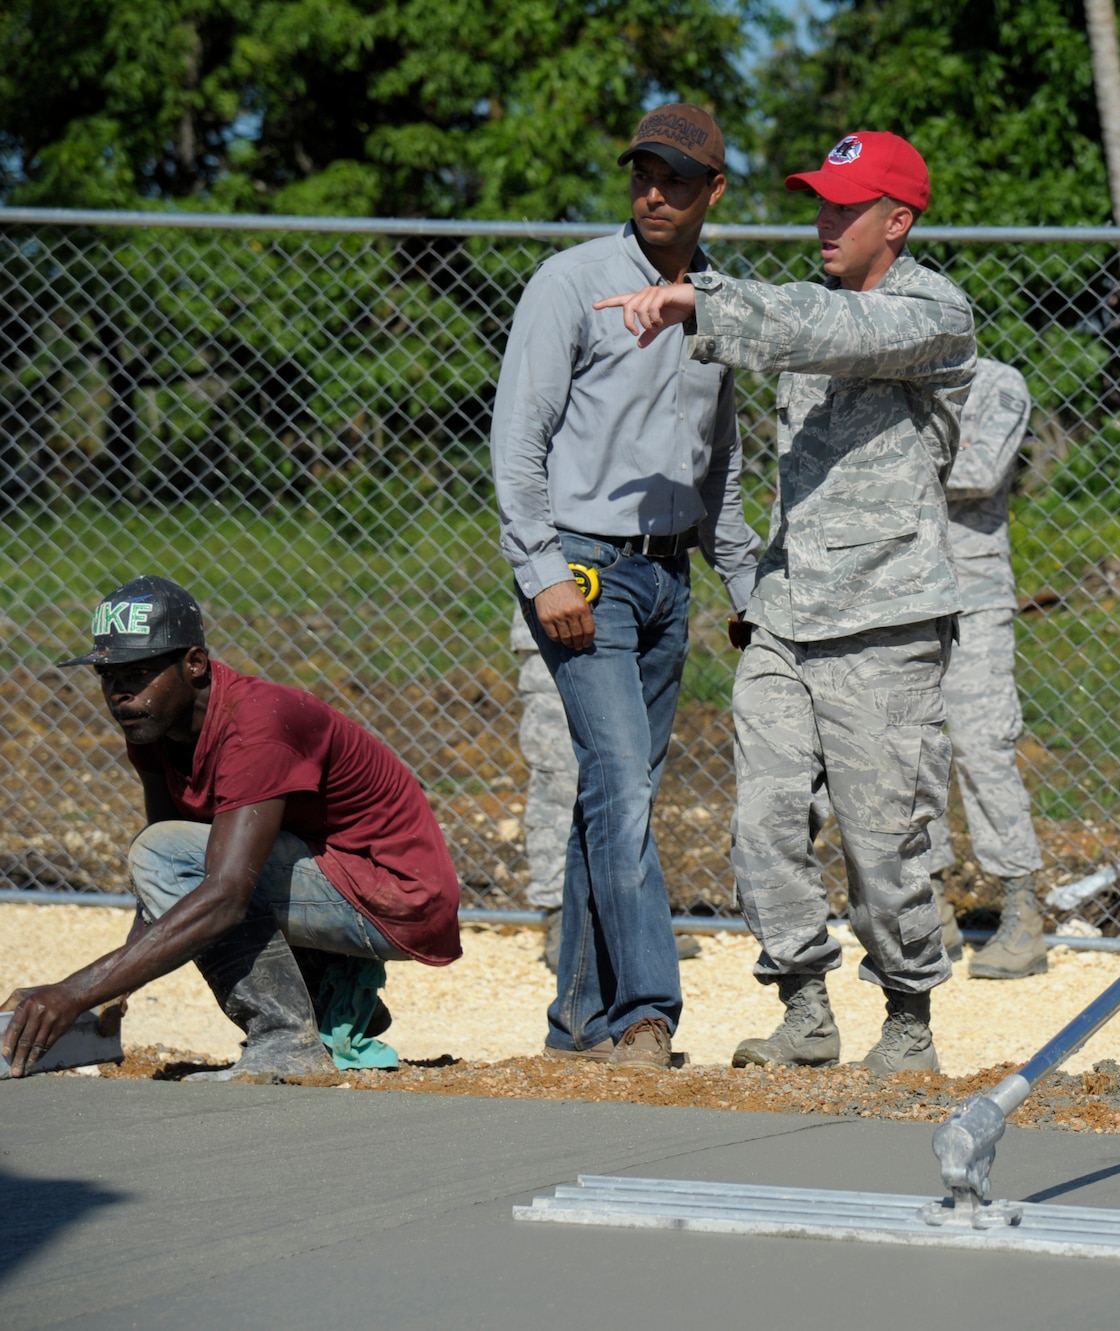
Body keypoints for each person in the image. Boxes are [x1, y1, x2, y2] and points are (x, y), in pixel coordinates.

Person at [598, 131, 975, 1074]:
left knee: (885, 841)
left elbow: (837, 331)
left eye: (845, 207)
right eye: (818, 202)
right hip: (787, 615)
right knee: (761, 821)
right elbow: (808, 329)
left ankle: (908, 1021)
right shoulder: (812, 312)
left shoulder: (934, 312)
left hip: (883, 624)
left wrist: (708, 298)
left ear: (899, 220)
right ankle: (804, 1008)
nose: (823, 220)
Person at [490, 103, 759, 1069]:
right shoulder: (572, 283)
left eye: (677, 178)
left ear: (714, 192)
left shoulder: (718, 304)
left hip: (668, 577)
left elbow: (717, 465)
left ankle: (577, 1024)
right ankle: (647, 1013)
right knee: (622, 790)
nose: (655, 192)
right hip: (585, 570)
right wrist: (543, 570)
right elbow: (517, 442)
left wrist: (745, 581)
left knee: (615, 795)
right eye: (643, 173)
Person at [2, 578, 461, 1081]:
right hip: (332, 877)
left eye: (138, 673)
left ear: (194, 663)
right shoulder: (153, 728)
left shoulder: (258, 723)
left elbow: (220, 894)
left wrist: (74, 992)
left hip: (397, 896)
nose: (120, 694)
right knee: (165, 852)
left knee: (171, 858)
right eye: (109, 677)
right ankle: (322, 994)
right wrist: (115, 988)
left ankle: (287, 1040)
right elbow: (175, 873)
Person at [925, 358, 1049, 981]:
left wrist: (878, 456)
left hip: (970, 593)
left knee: (981, 747)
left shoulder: (995, 382)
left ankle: (1021, 912)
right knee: (903, 751)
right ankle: (928, 906)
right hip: (888, 593)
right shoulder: (869, 367)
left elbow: (978, 470)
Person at [508, 609, 699, 973]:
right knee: (560, 774)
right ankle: (562, 917)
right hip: (559, 607)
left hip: (641, 608)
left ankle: (632, 918)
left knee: (630, 780)